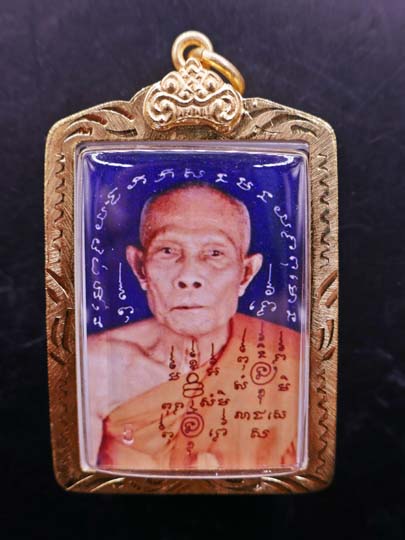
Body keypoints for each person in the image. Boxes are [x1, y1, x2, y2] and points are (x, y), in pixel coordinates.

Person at [88, 182, 301, 471]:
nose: (189, 276)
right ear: (140, 267)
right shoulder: (98, 367)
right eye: (168, 251)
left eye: (214, 253)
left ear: (246, 273)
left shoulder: (294, 362)